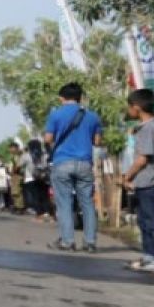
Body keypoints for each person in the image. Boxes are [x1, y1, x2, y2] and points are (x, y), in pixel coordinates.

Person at [44, 82, 104, 252]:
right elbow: (98, 142)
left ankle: (67, 241)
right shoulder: (92, 116)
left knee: (64, 203)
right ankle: (90, 242)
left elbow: (48, 139)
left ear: (61, 98)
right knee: (87, 203)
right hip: (85, 163)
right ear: (80, 98)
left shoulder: (56, 115)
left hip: (62, 162)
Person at [122, 88, 154, 273]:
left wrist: (128, 175)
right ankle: (150, 256)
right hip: (145, 181)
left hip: (151, 180)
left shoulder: (149, 128)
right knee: (145, 220)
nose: (129, 110)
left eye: (130, 106)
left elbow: (143, 158)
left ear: (137, 107)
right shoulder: (148, 127)